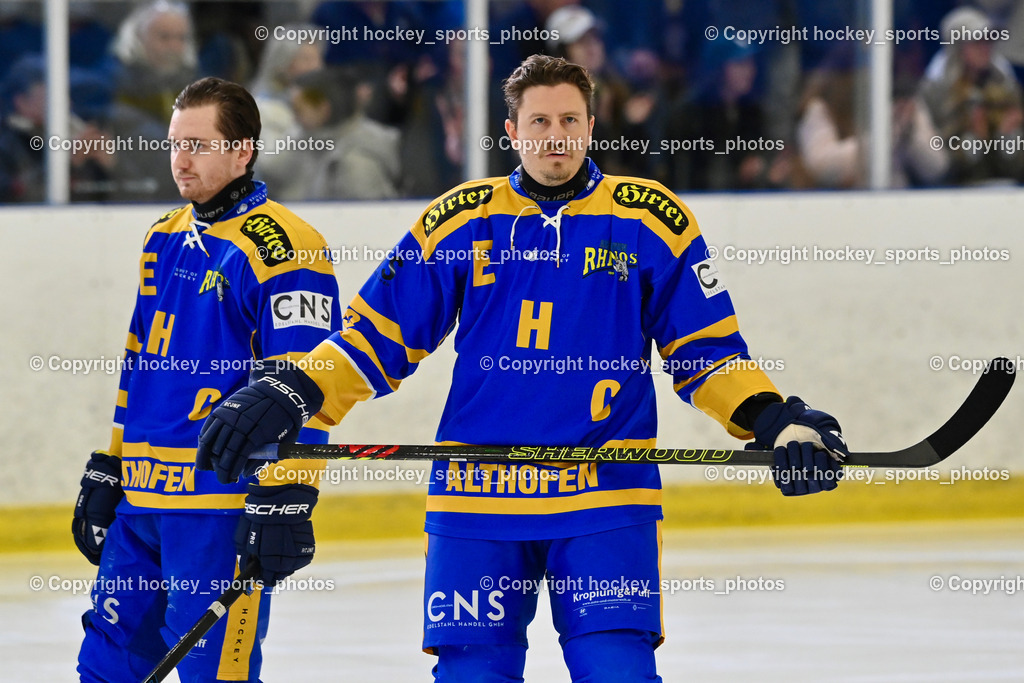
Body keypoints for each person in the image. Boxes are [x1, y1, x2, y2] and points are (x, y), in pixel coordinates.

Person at [197, 55, 847, 682]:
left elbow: (708, 353)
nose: (556, 137)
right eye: (540, 122)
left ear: (592, 127)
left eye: (570, 121)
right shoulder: (460, 219)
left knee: (619, 670)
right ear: (511, 132)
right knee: (472, 674)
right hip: (477, 502)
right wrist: (294, 389)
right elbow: (376, 335)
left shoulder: (652, 220)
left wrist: (775, 419)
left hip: (604, 501)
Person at [72, 76, 340, 682]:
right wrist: (111, 461)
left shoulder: (287, 250)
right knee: (107, 663)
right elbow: (138, 359)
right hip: (140, 501)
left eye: (198, 143)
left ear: (242, 150)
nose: (180, 158)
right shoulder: (161, 236)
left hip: (216, 508)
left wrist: (287, 495)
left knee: (215, 673)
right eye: (174, 143)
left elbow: (309, 384)